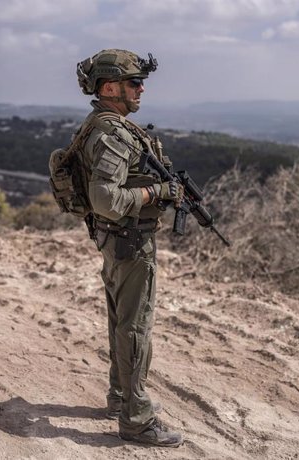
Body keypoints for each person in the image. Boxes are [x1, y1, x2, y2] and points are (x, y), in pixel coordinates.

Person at [75, 49, 184, 447]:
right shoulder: (111, 133)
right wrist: (159, 191)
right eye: (134, 83)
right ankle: (136, 419)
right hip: (129, 241)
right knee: (135, 326)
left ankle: (120, 396)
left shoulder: (103, 126)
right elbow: (105, 197)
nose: (141, 90)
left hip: (116, 239)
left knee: (122, 320)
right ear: (109, 87)